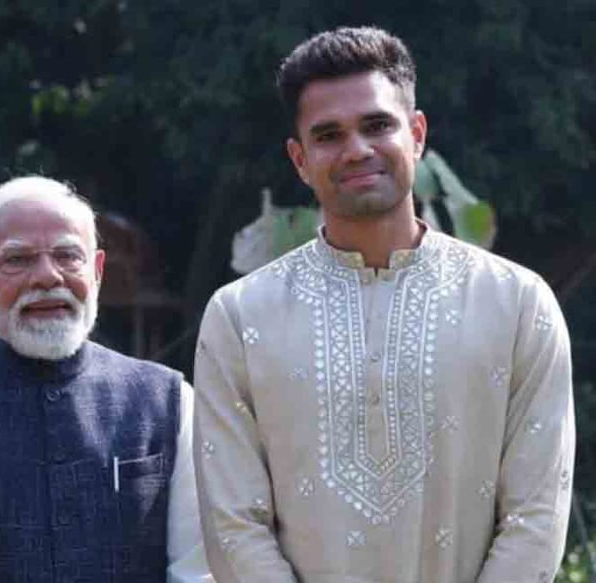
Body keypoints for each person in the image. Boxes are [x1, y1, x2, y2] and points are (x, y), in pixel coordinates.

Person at [193, 26, 574, 582]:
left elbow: (537, 515)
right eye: (329, 135)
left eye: (377, 125)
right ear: (300, 159)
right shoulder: (239, 317)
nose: (356, 150)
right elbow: (233, 524)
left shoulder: (518, 303)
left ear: (416, 134)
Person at [0, 176, 211, 581]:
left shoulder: (168, 402)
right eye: (18, 259)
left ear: (97, 271)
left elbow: (197, 570)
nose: (47, 277)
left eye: (67, 256)